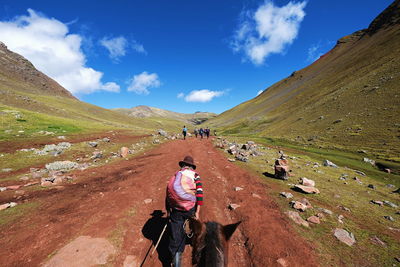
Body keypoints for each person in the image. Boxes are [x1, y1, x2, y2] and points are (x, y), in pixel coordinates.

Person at [165, 156, 203, 267]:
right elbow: (199, 194)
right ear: (192, 166)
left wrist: (168, 211)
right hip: (190, 208)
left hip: (176, 208)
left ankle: (176, 263)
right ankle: (190, 240)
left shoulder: (176, 174)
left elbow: (168, 193)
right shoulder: (195, 175)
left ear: (183, 165)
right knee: (190, 227)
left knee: (176, 237)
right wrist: (197, 212)